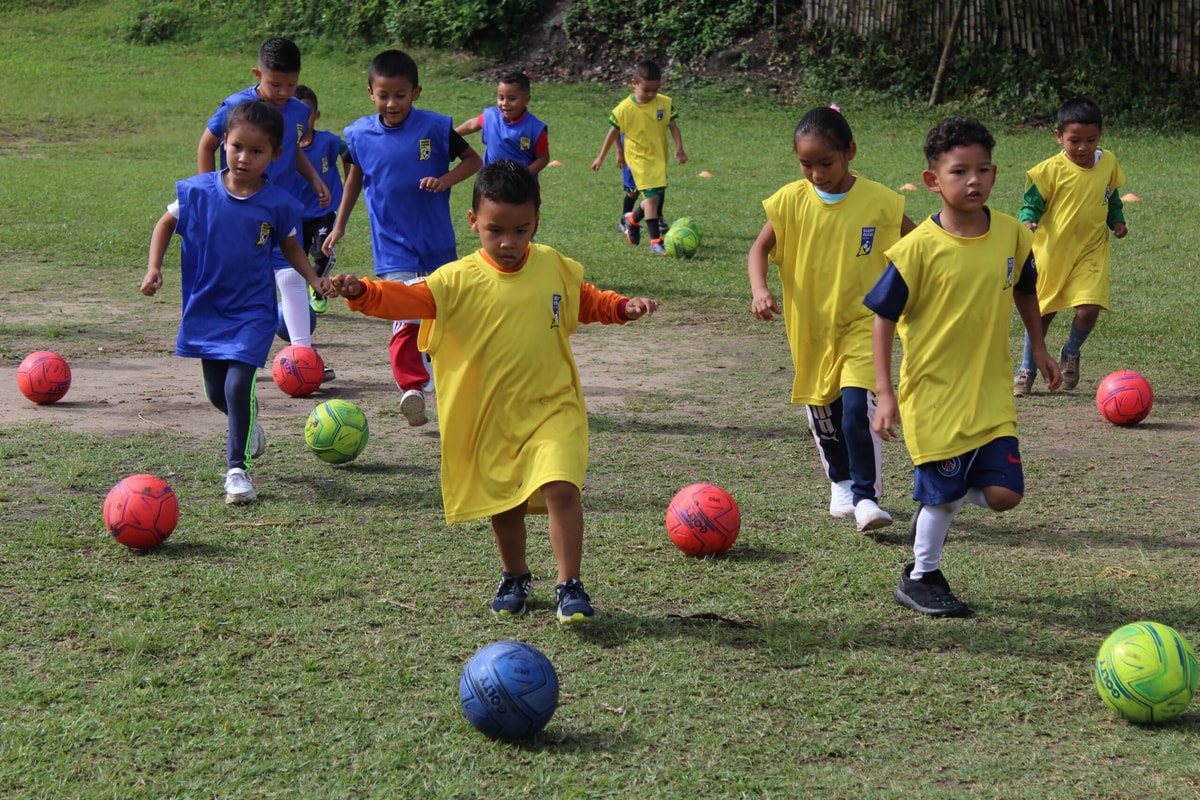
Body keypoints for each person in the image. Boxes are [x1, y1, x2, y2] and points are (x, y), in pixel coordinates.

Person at [329, 160, 658, 623]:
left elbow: (586, 300)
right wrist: (361, 291)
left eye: (521, 230)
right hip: (491, 417)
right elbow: (402, 298)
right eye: (495, 230)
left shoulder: (552, 267)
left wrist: (622, 306)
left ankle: (570, 585)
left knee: (563, 487)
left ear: (536, 222)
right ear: (473, 223)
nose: (508, 243)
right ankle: (515, 575)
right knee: (506, 504)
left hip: (552, 407)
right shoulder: (454, 280)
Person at [865, 117, 1063, 617]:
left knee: (1005, 495)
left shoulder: (1013, 236)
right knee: (945, 496)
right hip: (934, 395)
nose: (973, 181)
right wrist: (885, 393)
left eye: (983, 170)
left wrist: (1038, 347)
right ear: (933, 180)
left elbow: (1025, 287)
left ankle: (941, 497)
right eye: (959, 172)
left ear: (996, 174)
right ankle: (920, 576)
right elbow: (883, 319)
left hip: (991, 392)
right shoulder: (916, 251)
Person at [143, 100, 334, 504]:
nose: (244, 158)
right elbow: (165, 223)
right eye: (236, 147)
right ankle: (246, 425)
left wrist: (314, 277)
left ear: (275, 155)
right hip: (208, 307)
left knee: (237, 385)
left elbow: (291, 247)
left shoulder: (280, 204)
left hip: (253, 311)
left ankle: (237, 471)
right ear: (224, 144)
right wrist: (153, 268)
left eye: (257, 151)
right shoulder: (198, 192)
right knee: (217, 392)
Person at [749, 106, 915, 533]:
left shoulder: (880, 201)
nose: (817, 174)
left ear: (850, 153)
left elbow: (920, 246)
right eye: (806, 164)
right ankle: (840, 480)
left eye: (826, 163)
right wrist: (760, 289)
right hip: (811, 329)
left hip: (865, 324)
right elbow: (759, 250)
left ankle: (865, 497)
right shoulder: (789, 201)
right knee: (824, 413)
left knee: (855, 409)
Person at [322, 49, 482, 427]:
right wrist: (340, 225)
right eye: (383, 95)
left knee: (445, 318)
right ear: (370, 93)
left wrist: (445, 181)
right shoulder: (359, 135)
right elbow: (354, 179)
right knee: (406, 315)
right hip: (393, 247)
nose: (392, 103)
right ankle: (411, 387)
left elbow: (473, 162)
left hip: (437, 243)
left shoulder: (435, 128)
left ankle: (454, 386)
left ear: (416, 92)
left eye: (400, 95)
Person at [196, 37, 336, 382]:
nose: (283, 92)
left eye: (290, 84)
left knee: (289, 273)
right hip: (239, 207)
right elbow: (207, 145)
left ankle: (303, 357)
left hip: (280, 206)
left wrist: (314, 178)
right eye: (275, 84)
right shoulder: (236, 106)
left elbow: (292, 150)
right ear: (258, 73)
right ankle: (226, 354)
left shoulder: (300, 111)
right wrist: (211, 192)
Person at [1014, 97, 1129, 395]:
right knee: (1041, 314)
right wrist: (1028, 221)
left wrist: (1117, 220)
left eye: (1091, 140)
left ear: (1100, 136)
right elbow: (1031, 204)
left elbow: (1111, 196)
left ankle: (1071, 352)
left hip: (1091, 251)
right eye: (1074, 140)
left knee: (1089, 309)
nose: (1082, 147)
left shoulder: (1108, 164)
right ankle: (1027, 368)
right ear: (1058, 136)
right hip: (1052, 252)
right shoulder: (1048, 170)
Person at [591, 59, 687, 255]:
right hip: (638, 160)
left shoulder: (664, 103)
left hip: (658, 159)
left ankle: (633, 219)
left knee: (656, 197)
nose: (651, 95)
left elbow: (673, 127)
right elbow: (613, 132)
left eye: (655, 90)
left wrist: (680, 148)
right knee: (651, 199)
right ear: (634, 84)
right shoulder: (624, 108)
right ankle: (655, 242)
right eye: (646, 90)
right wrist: (602, 156)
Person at [295, 84, 348, 314]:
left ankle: (315, 287)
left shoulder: (328, 141)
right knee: (294, 261)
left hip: (322, 212)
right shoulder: (281, 147)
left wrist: (349, 181)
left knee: (324, 253)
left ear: (316, 115)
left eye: (308, 113)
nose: (303, 119)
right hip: (294, 214)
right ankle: (295, 299)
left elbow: (350, 153)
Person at [455, 71, 549, 176]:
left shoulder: (535, 129)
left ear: (526, 100)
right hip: (490, 182)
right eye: (501, 98)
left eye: (512, 99)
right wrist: (451, 134)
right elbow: (472, 125)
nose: (505, 103)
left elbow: (543, 158)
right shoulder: (491, 116)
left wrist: (524, 175)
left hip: (521, 187)